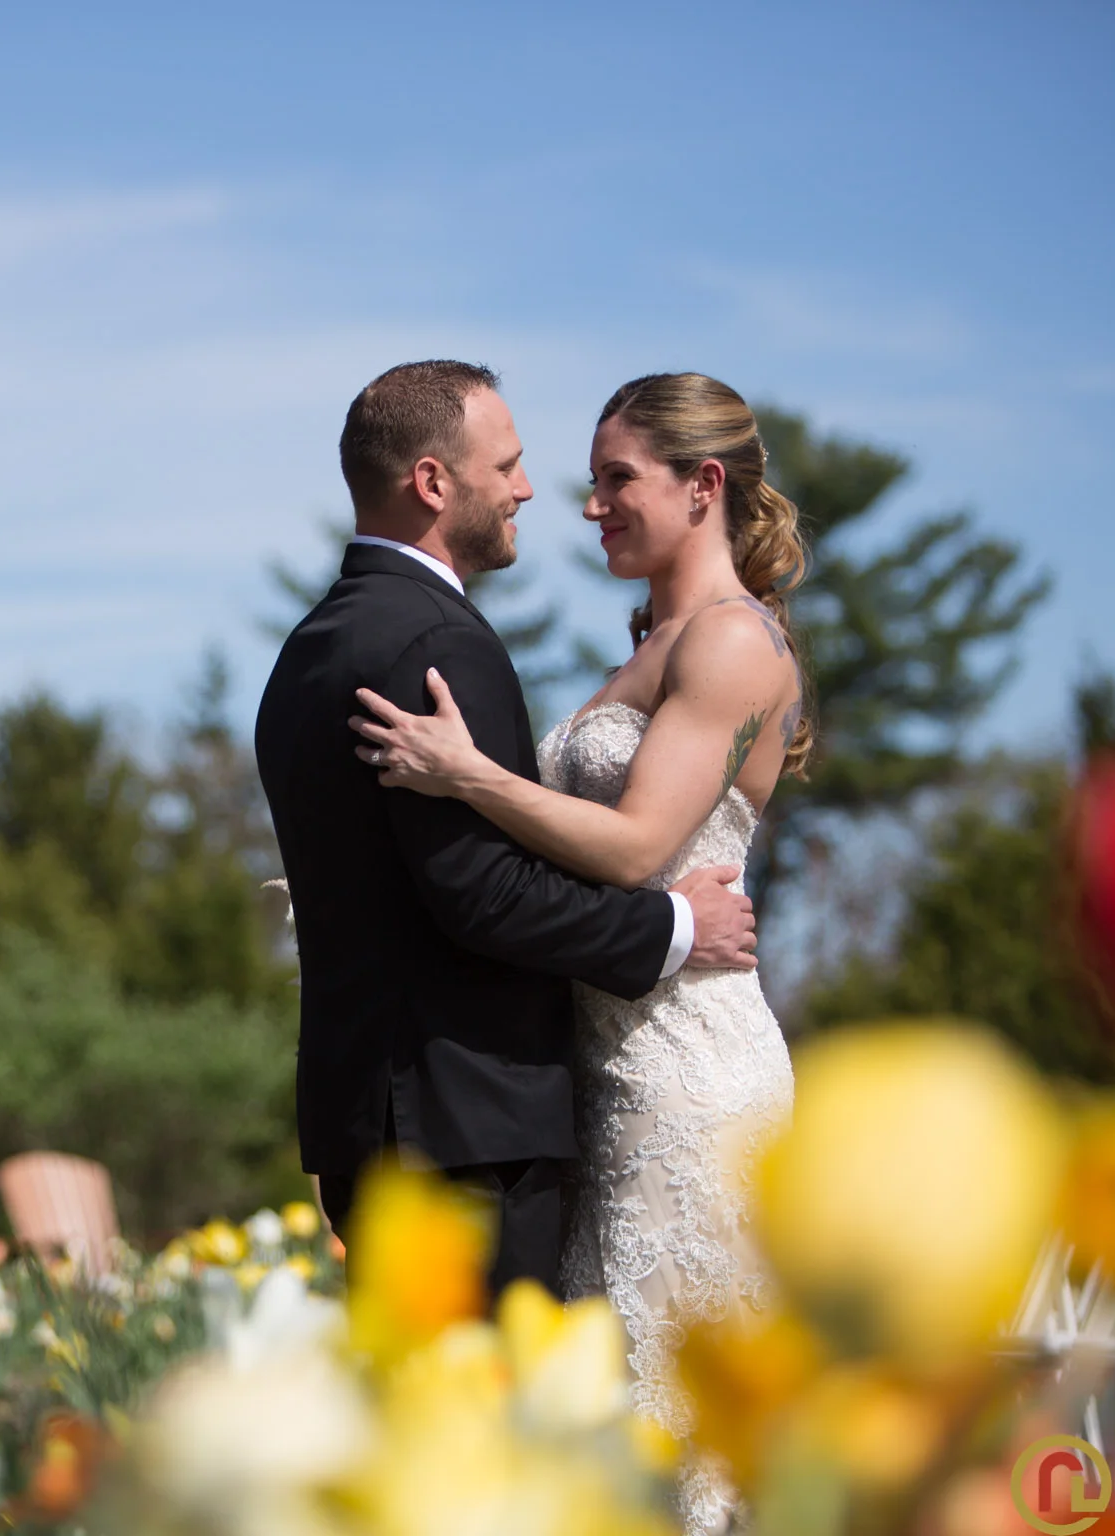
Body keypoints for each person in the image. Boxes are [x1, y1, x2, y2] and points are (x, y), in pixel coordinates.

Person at [347, 370, 806, 1535]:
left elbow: (638, 844)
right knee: (596, 1421)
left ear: (703, 486)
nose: (587, 504)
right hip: (599, 1067)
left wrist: (470, 777)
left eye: (616, 481)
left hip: (688, 1077)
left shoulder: (735, 646)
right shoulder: (649, 643)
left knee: (667, 1427)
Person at [252, 359, 757, 1303]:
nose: (530, 489)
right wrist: (678, 931)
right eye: (508, 466)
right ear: (435, 482)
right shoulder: (439, 642)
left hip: (373, 1124)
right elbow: (486, 896)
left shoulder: (309, 650)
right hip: (470, 1134)